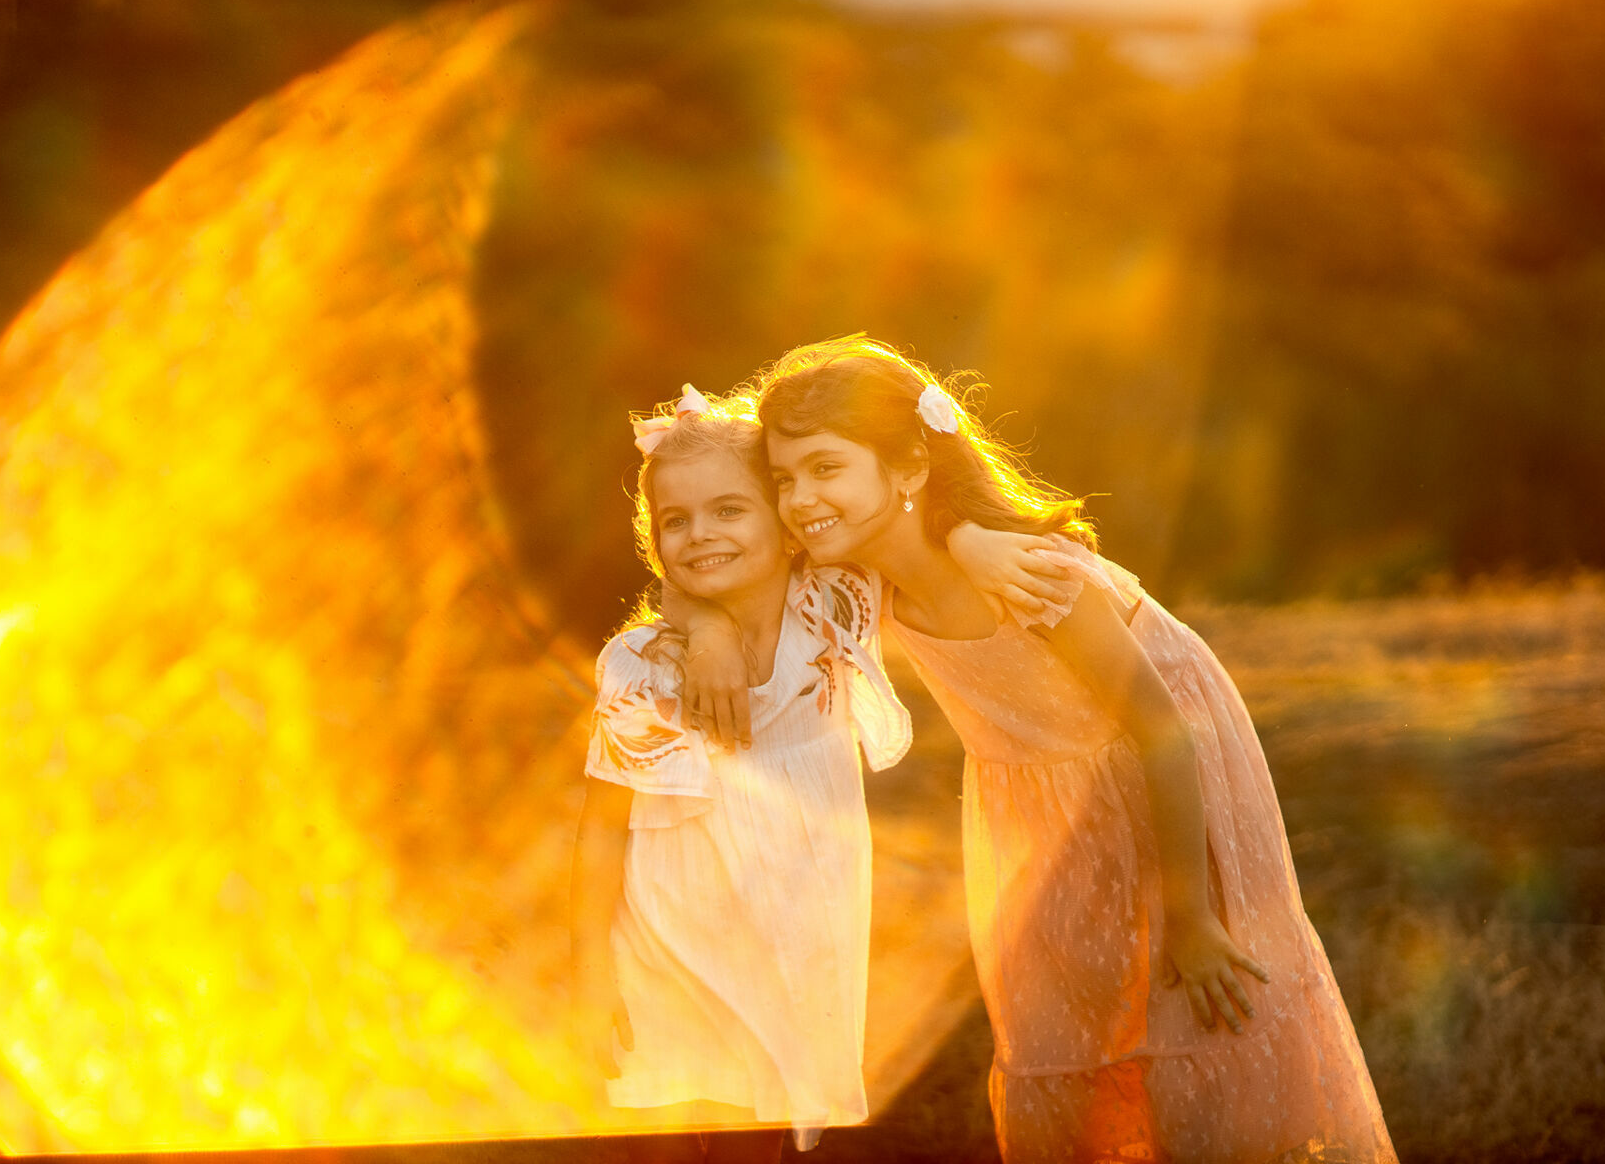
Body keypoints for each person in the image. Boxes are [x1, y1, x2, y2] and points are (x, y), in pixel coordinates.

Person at [687, 337, 1397, 1164]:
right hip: (1036, 799)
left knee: (1190, 1006)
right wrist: (707, 632)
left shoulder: (1029, 577)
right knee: (1072, 1026)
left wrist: (1193, 915)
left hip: (1161, 768)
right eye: (783, 478)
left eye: (825, 468)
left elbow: (1165, 731)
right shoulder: (855, 580)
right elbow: (704, 563)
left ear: (910, 465)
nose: (800, 498)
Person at [569, 384, 914, 1163]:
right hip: (671, 951)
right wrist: (588, 973)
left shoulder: (832, 607)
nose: (701, 534)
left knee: (760, 1137)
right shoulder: (642, 666)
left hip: (796, 937)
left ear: (788, 526)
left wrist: (710, 624)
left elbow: (898, 523)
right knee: (670, 1129)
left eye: (729, 510)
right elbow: (602, 828)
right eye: (676, 520)